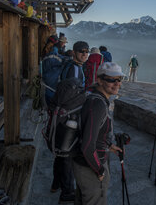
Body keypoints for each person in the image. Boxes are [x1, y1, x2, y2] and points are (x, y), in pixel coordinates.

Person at [72, 62, 123, 205]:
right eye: (112, 79)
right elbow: (88, 146)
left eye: (119, 79)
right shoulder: (98, 104)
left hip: (83, 164)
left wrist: (108, 145)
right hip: (90, 167)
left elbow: (92, 131)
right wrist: (99, 170)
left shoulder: (95, 98)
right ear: (99, 80)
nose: (117, 83)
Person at [51, 41, 89, 204]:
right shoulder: (74, 68)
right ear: (73, 52)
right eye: (81, 51)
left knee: (61, 151)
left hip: (61, 115)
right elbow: (71, 95)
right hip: (69, 117)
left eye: (87, 51)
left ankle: (56, 183)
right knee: (67, 154)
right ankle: (67, 192)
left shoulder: (72, 66)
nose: (85, 54)